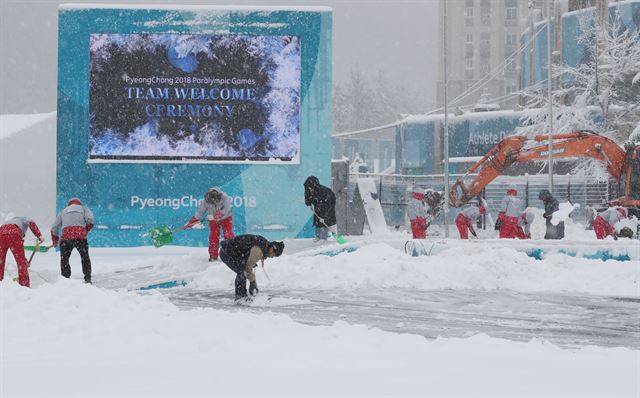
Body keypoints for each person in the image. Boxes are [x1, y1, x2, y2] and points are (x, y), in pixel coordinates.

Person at [219, 234, 284, 301]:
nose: (271, 256)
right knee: (242, 272)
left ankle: (242, 295)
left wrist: (253, 282)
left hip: (234, 252)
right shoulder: (259, 250)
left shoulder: (264, 244)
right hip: (226, 253)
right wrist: (252, 282)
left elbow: (248, 262)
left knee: (243, 270)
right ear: (272, 249)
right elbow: (248, 267)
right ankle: (240, 297)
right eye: (273, 254)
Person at [51, 198, 95, 283]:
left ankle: (65, 279)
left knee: (64, 259)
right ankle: (87, 278)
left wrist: (55, 240)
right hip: (80, 237)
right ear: (79, 203)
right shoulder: (84, 209)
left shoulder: (63, 211)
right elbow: (90, 220)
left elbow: (54, 227)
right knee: (85, 257)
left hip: (66, 238)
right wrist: (85, 230)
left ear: (69, 204)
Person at [185, 187, 234, 261]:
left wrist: (220, 214)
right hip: (213, 219)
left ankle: (231, 255)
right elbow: (200, 212)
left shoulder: (225, 197)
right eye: (212, 201)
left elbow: (227, 208)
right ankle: (213, 256)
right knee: (214, 236)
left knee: (228, 234)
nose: (214, 202)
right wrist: (193, 220)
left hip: (226, 217)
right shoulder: (205, 201)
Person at [0, 216, 44, 287]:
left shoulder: (8, 222)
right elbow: (31, 222)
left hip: (1, 234)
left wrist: (25, 261)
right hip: (13, 233)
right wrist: (39, 235)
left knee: (0, 260)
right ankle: (24, 285)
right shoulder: (24, 218)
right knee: (20, 261)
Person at [304, 176, 337, 241]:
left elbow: (329, 205)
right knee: (318, 224)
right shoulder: (309, 191)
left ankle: (325, 240)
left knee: (325, 225)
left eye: (311, 188)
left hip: (328, 211)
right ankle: (318, 238)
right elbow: (308, 201)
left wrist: (324, 217)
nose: (310, 189)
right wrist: (309, 202)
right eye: (309, 188)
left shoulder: (324, 192)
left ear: (315, 186)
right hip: (318, 211)